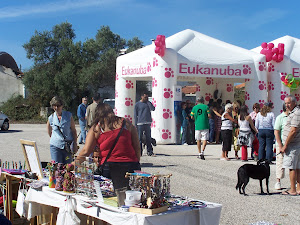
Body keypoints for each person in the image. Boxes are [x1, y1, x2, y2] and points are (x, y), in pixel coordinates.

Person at [76, 103, 141, 179]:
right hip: (131, 165)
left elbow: (86, 151)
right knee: (131, 190)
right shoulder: (126, 123)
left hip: (109, 167)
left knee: (109, 189)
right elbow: (137, 146)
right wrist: (136, 163)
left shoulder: (97, 128)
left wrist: (74, 163)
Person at [47, 96, 77, 164]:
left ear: (62, 105)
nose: (56, 108)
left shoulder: (68, 116)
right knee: (57, 166)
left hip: (67, 147)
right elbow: (49, 131)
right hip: (55, 146)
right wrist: (56, 138)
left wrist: (75, 143)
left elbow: (73, 130)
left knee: (68, 166)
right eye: (54, 106)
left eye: (58, 105)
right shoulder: (51, 118)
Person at [280, 95, 300, 195]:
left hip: (293, 144)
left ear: (294, 103)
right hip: (295, 144)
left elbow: (293, 130)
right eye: (286, 103)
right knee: (297, 167)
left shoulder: (296, 113)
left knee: (292, 167)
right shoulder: (293, 112)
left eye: (288, 103)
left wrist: (285, 145)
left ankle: (292, 189)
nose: (286, 105)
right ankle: (298, 188)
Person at [134, 92, 155, 156]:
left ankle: (150, 151)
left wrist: (149, 102)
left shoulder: (148, 103)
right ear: (142, 97)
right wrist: (136, 123)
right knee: (139, 138)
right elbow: (135, 114)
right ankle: (139, 151)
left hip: (147, 122)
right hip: (140, 123)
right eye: (145, 97)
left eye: (147, 97)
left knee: (148, 137)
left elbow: (153, 109)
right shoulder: (137, 104)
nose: (146, 98)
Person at [274, 103, 289, 190]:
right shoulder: (280, 117)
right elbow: (276, 131)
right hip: (281, 144)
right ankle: (278, 181)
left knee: (294, 164)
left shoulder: (294, 117)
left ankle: (295, 181)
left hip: (292, 144)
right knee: (280, 162)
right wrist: (280, 145)